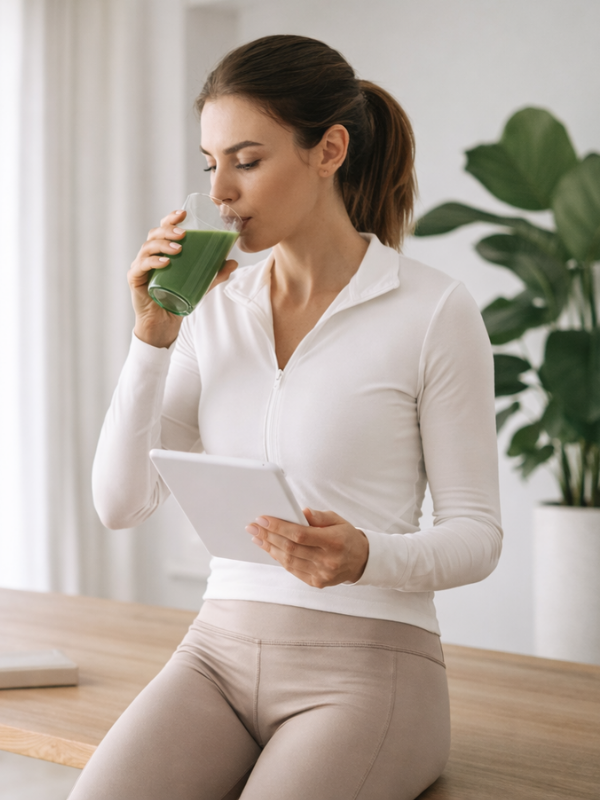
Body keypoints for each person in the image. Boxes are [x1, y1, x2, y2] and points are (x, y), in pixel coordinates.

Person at [70, 34, 502, 800]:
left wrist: (366, 556)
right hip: (213, 656)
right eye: (212, 166)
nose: (223, 191)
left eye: (248, 159)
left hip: (370, 670)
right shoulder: (214, 310)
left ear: (328, 149)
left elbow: (478, 536)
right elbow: (119, 502)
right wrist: (153, 335)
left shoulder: (432, 309)